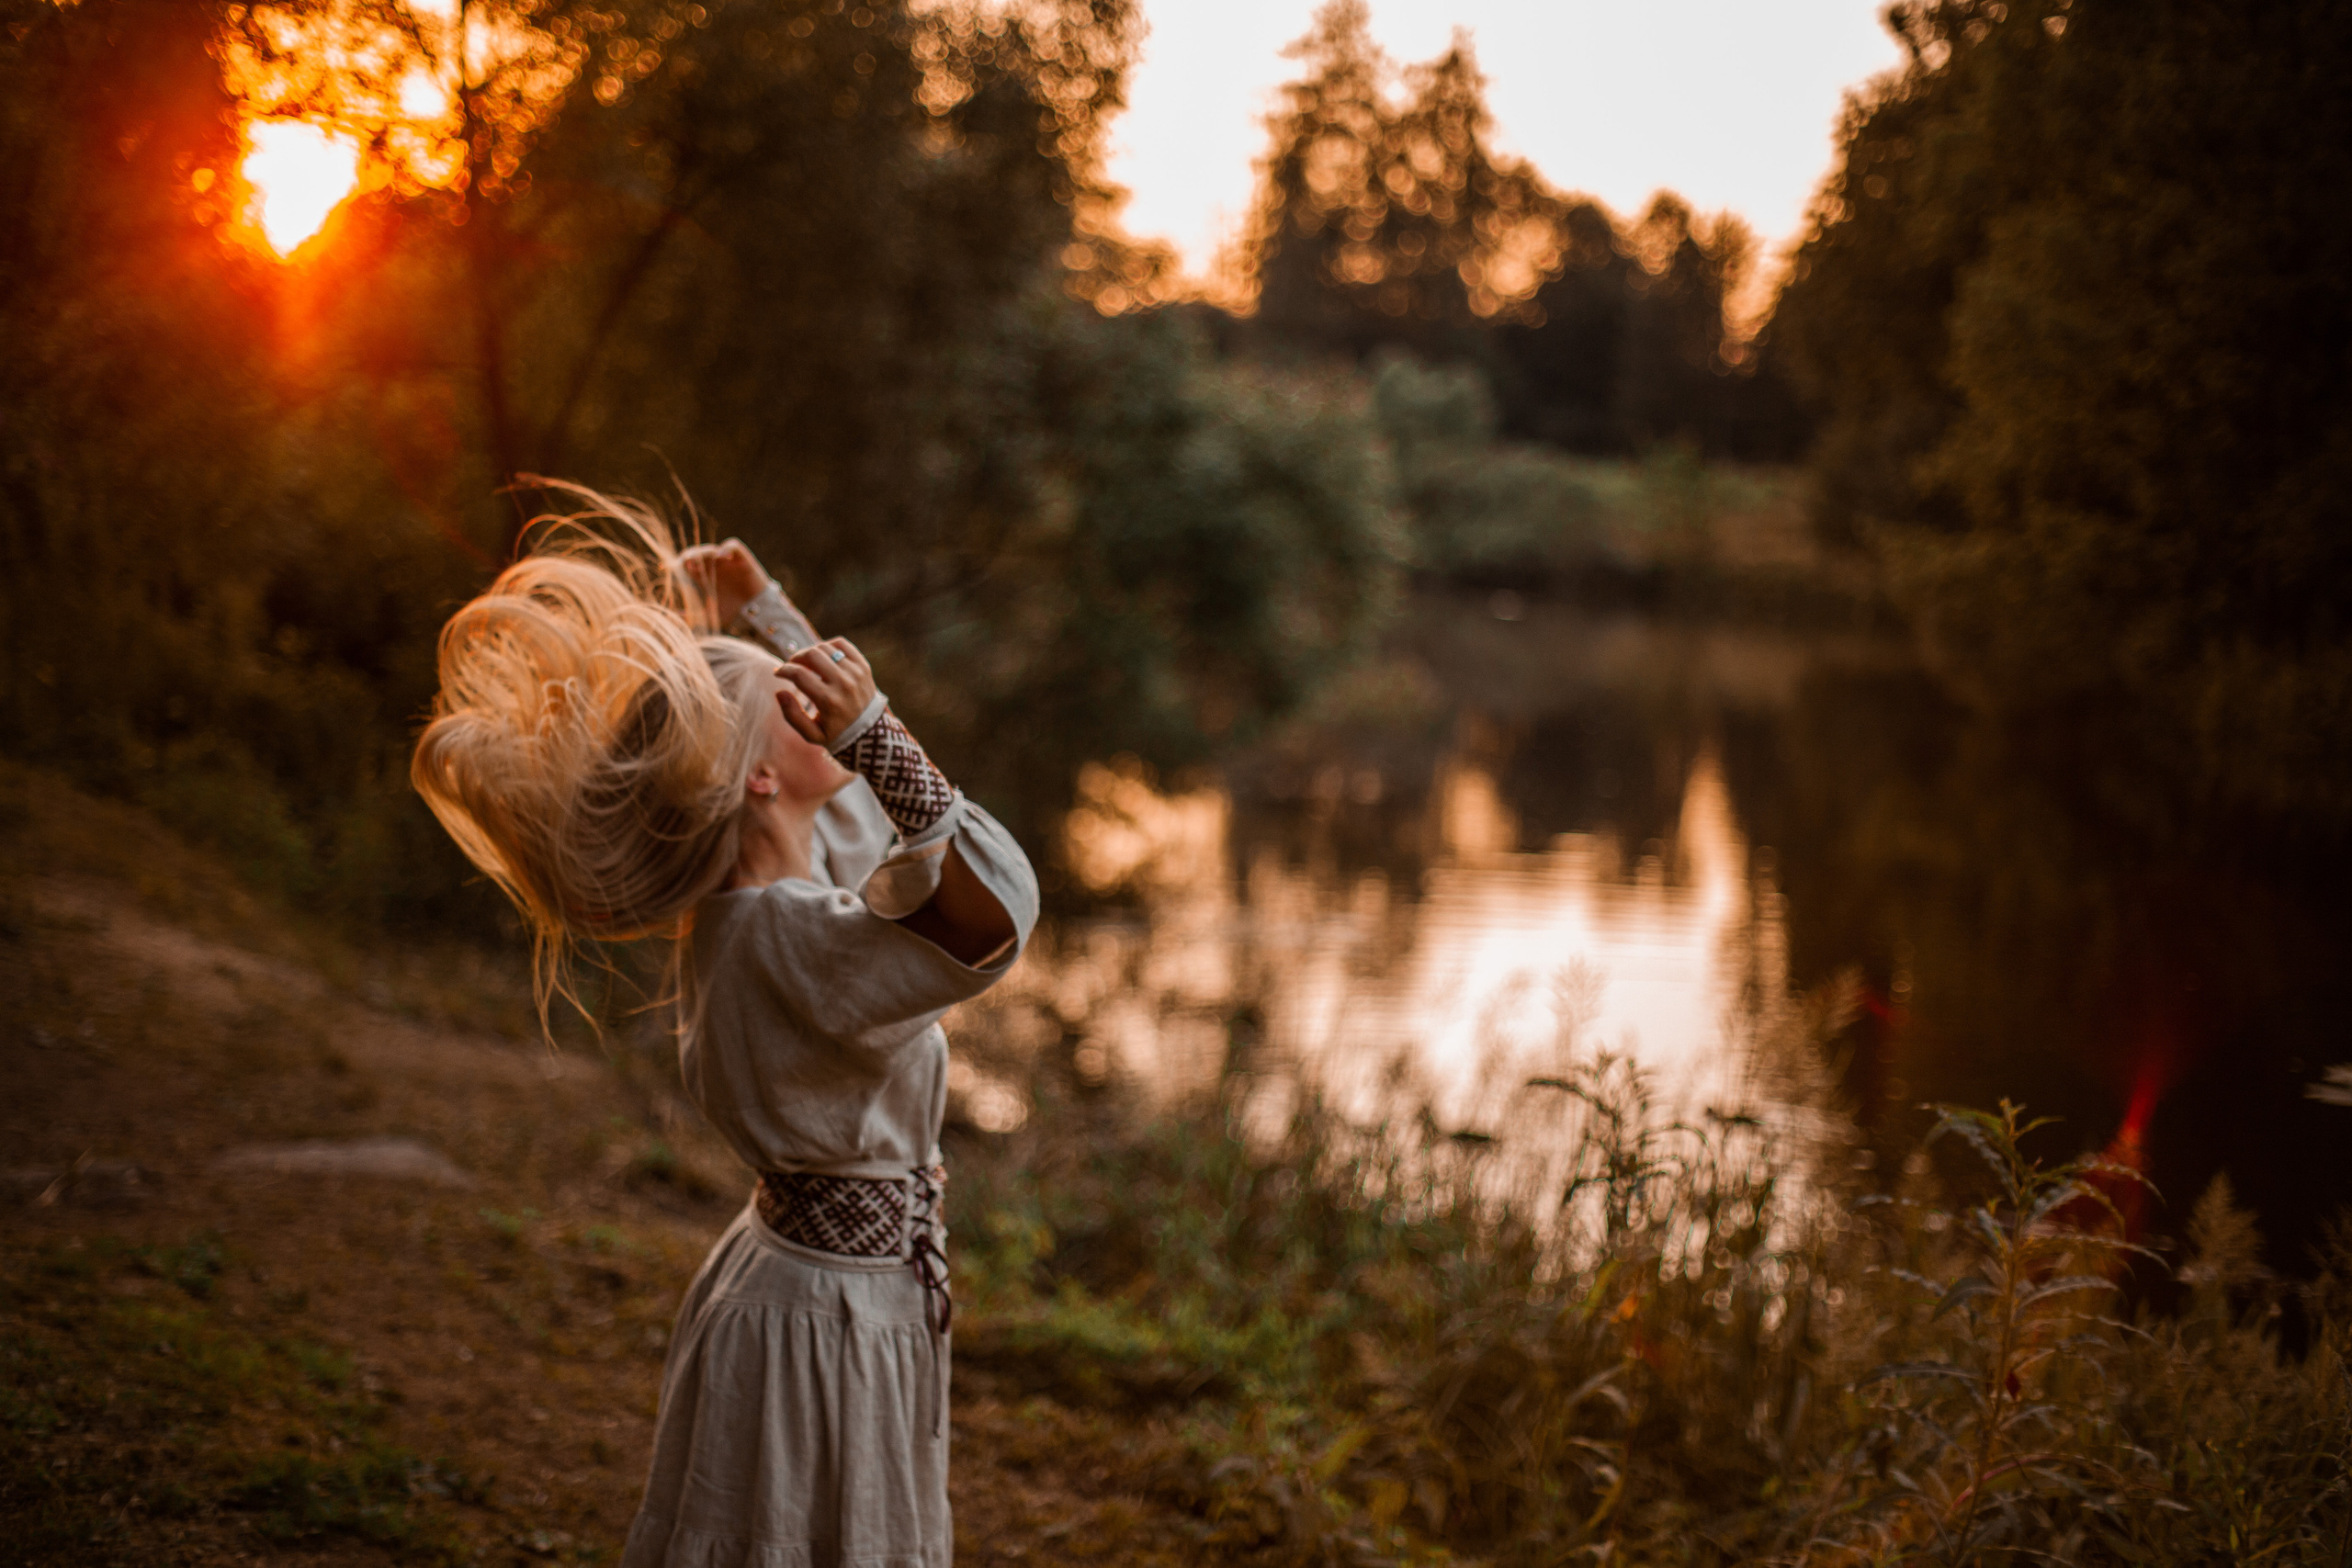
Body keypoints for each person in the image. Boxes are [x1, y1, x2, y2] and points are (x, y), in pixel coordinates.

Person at [410, 487, 1036, 1568]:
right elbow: (996, 904)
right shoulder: (791, 937)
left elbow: (834, 813)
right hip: (824, 1321)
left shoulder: (772, 900)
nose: (820, 708)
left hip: (808, 1297)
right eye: (797, 707)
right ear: (756, 775)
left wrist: (770, 617)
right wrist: (875, 733)